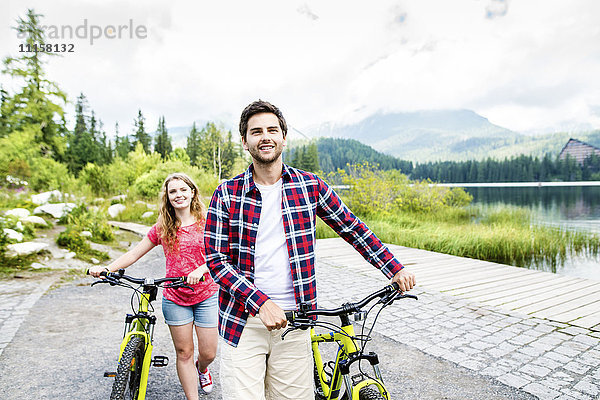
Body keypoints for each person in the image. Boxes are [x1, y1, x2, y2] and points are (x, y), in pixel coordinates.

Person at [204, 100, 416, 399]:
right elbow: (216, 260)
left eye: (272, 130)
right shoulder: (227, 192)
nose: (265, 136)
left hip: (297, 323)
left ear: (283, 137)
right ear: (245, 141)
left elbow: (352, 228)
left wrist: (394, 268)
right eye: (256, 131)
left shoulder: (309, 186)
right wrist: (261, 303)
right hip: (243, 323)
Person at [89, 172, 219, 399]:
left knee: (208, 352)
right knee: (184, 352)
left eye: (183, 190)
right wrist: (107, 268)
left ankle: (203, 368)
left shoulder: (208, 221)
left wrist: (202, 269)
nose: (178, 195)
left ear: (193, 192)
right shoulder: (163, 226)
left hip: (206, 294)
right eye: (173, 192)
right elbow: (134, 253)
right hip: (175, 297)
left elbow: (222, 254)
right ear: (167, 198)